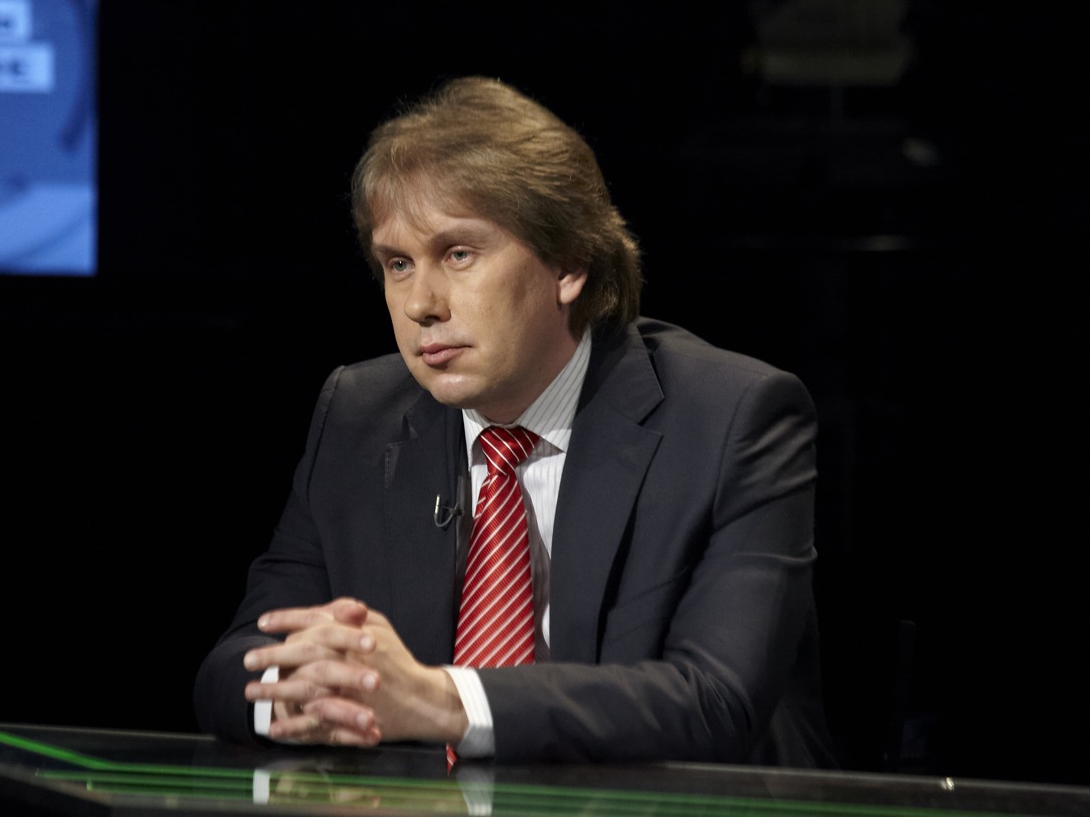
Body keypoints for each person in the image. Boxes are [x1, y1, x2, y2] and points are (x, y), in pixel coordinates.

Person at [194, 75, 836, 767]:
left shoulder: (731, 420)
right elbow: (233, 667)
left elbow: (715, 701)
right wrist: (300, 692)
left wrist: (446, 701)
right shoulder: (358, 416)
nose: (421, 304)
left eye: (458, 254)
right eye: (398, 264)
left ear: (568, 263)